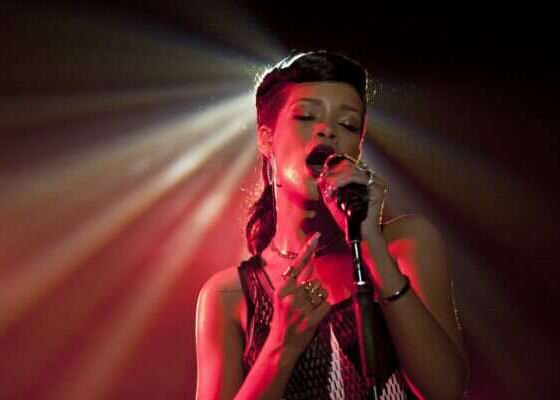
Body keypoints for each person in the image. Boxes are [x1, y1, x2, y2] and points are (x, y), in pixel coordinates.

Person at [195, 50, 469, 399]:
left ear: (358, 145)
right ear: (266, 138)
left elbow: (447, 390)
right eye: (306, 116)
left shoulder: (405, 244)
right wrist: (280, 348)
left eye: (348, 124)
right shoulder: (229, 295)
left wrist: (371, 247)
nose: (327, 131)